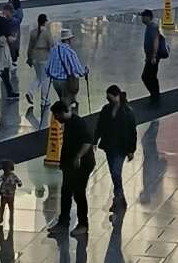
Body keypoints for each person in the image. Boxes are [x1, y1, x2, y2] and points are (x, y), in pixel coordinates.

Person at [46, 100, 95, 237]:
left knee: (79, 193)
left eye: (56, 115)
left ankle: (83, 224)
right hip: (69, 165)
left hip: (82, 165)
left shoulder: (78, 123)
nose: (55, 118)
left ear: (61, 113)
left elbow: (88, 141)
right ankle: (63, 222)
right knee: (66, 192)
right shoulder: (67, 123)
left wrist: (78, 156)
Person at [94, 84, 137, 212]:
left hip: (121, 148)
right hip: (109, 146)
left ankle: (118, 199)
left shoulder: (127, 112)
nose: (108, 99)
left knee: (116, 172)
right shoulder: (106, 109)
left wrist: (131, 150)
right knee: (114, 173)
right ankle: (120, 199)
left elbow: (132, 132)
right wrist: (95, 140)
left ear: (117, 96)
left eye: (110, 97)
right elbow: (100, 125)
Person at [46, 28, 89, 108]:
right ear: (69, 40)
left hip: (55, 82)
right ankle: (67, 119)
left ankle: (61, 118)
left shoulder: (54, 49)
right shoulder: (70, 52)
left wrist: (50, 74)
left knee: (62, 102)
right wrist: (85, 72)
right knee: (66, 105)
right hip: (66, 82)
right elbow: (76, 69)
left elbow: (47, 66)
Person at [25, 13, 54, 108]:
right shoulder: (46, 33)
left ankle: (30, 92)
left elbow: (30, 47)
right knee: (45, 79)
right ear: (45, 22)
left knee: (39, 77)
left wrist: (29, 58)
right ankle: (44, 99)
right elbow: (52, 44)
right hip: (43, 57)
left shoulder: (33, 32)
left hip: (34, 56)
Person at [140, 7, 165, 103]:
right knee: (151, 76)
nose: (142, 18)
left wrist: (153, 56)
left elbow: (155, 41)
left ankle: (155, 97)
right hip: (150, 57)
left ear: (148, 17)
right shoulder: (150, 27)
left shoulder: (152, 27)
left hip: (153, 57)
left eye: (143, 16)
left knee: (146, 77)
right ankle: (155, 96)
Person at [0, 159, 22, 227]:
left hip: (9, 194)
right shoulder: (5, 175)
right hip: (5, 194)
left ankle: (10, 217)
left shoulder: (13, 176)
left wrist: (19, 183)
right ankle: (1, 217)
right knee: (3, 207)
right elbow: (0, 178)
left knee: (10, 207)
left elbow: (18, 181)